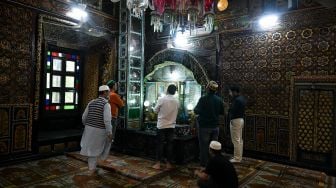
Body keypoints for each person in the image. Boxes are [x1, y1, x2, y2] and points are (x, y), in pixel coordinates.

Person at [80, 85, 113, 175]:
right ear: (105, 92)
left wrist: (87, 125)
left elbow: (84, 117)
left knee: (91, 149)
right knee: (96, 149)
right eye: (108, 92)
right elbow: (107, 120)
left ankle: (94, 165)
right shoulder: (106, 104)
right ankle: (92, 168)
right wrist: (109, 132)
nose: (109, 93)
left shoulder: (91, 102)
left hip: (88, 129)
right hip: (99, 131)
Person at [194, 81, 224, 166]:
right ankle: (214, 163)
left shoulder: (203, 98)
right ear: (215, 90)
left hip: (204, 127)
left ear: (207, 88)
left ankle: (204, 164)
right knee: (214, 147)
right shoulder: (219, 100)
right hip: (215, 126)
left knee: (204, 146)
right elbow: (222, 112)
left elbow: (196, 110)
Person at [152, 84, 180, 170]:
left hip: (161, 126)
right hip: (171, 126)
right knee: (169, 145)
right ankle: (168, 164)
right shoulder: (177, 101)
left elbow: (155, 111)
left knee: (160, 144)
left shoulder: (162, 99)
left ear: (167, 90)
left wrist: (153, 108)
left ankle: (158, 164)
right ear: (175, 92)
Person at [228, 85, 246, 163]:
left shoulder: (237, 100)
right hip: (240, 119)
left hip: (236, 120)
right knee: (239, 140)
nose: (230, 94)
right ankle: (239, 156)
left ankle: (237, 158)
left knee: (236, 140)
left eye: (230, 92)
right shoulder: (242, 98)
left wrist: (228, 108)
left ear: (234, 92)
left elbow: (233, 110)